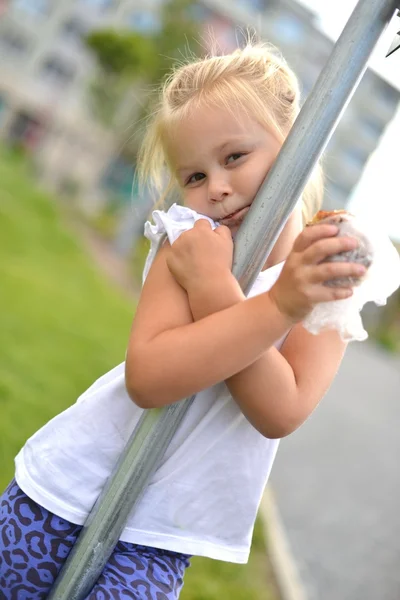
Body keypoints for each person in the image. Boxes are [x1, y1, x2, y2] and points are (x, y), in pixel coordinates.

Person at [0, 42, 367, 599]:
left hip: (166, 536)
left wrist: (275, 303)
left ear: (299, 141)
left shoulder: (324, 277)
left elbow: (280, 409)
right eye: (193, 175)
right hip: (61, 494)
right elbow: (150, 378)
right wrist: (249, 299)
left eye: (235, 158)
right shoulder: (190, 245)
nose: (215, 187)